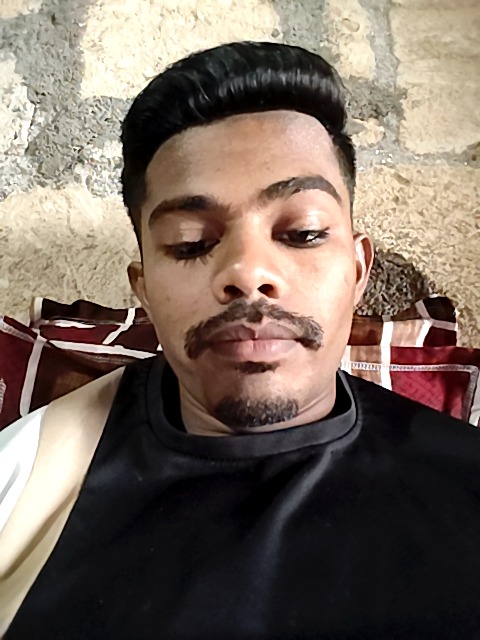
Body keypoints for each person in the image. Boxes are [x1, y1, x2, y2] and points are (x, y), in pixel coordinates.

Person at [1, 41, 479, 639]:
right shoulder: (24, 479)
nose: (248, 272)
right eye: (191, 242)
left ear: (358, 270)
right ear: (144, 288)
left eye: (302, 232)